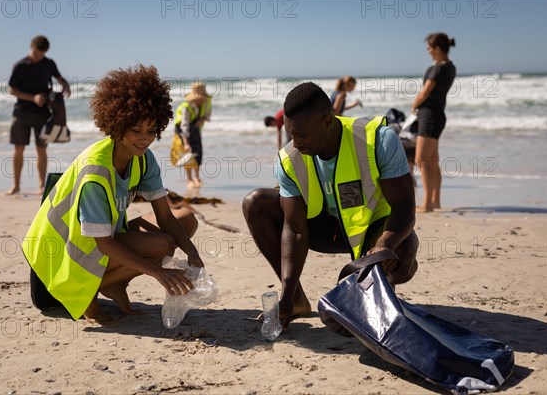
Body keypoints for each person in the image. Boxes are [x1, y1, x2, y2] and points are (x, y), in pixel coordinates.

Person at [22, 64, 204, 324]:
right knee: (163, 245)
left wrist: (192, 252)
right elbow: (103, 243)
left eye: (152, 130)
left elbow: (165, 216)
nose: (145, 139)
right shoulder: (96, 172)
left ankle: (114, 284)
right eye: (136, 131)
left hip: (98, 239)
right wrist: (158, 273)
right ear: (117, 126)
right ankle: (88, 293)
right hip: (61, 258)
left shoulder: (143, 159)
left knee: (186, 219)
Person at [243, 82, 419, 330]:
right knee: (255, 203)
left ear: (327, 120)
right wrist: (285, 295)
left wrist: (382, 247)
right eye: (291, 135)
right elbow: (294, 229)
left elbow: (405, 208)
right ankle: (296, 300)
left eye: (302, 135)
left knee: (405, 247)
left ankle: (379, 290)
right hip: (325, 230)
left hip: (371, 229)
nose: (296, 143)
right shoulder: (290, 159)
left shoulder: (377, 139)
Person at [7, 35, 71, 195]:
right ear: (31, 48)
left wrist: (66, 84)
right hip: (21, 113)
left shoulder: (49, 63)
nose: (38, 57)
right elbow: (12, 89)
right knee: (18, 150)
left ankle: (42, 185)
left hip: (42, 114)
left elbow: (59, 77)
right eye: (36, 53)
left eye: (41, 54)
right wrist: (32, 97)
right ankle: (16, 185)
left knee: (41, 150)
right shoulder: (20, 65)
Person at [411, 32, 456, 212]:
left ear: (437, 48)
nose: (428, 51)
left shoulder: (435, 69)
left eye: (429, 48)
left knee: (421, 160)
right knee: (432, 160)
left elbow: (424, 92)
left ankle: (427, 204)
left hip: (428, 116)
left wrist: (413, 106)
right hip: (438, 115)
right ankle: (435, 200)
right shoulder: (451, 67)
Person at [173, 84, 209, 188]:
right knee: (188, 156)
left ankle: (197, 177)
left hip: (195, 130)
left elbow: (205, 116)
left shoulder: (201, 105)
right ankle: (189, 179)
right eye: (201, 98)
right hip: (183, 132)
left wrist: (202, 120)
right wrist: (186, 143)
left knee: (197, 154)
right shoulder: (186, 108)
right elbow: (184, 126)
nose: (203, 100)